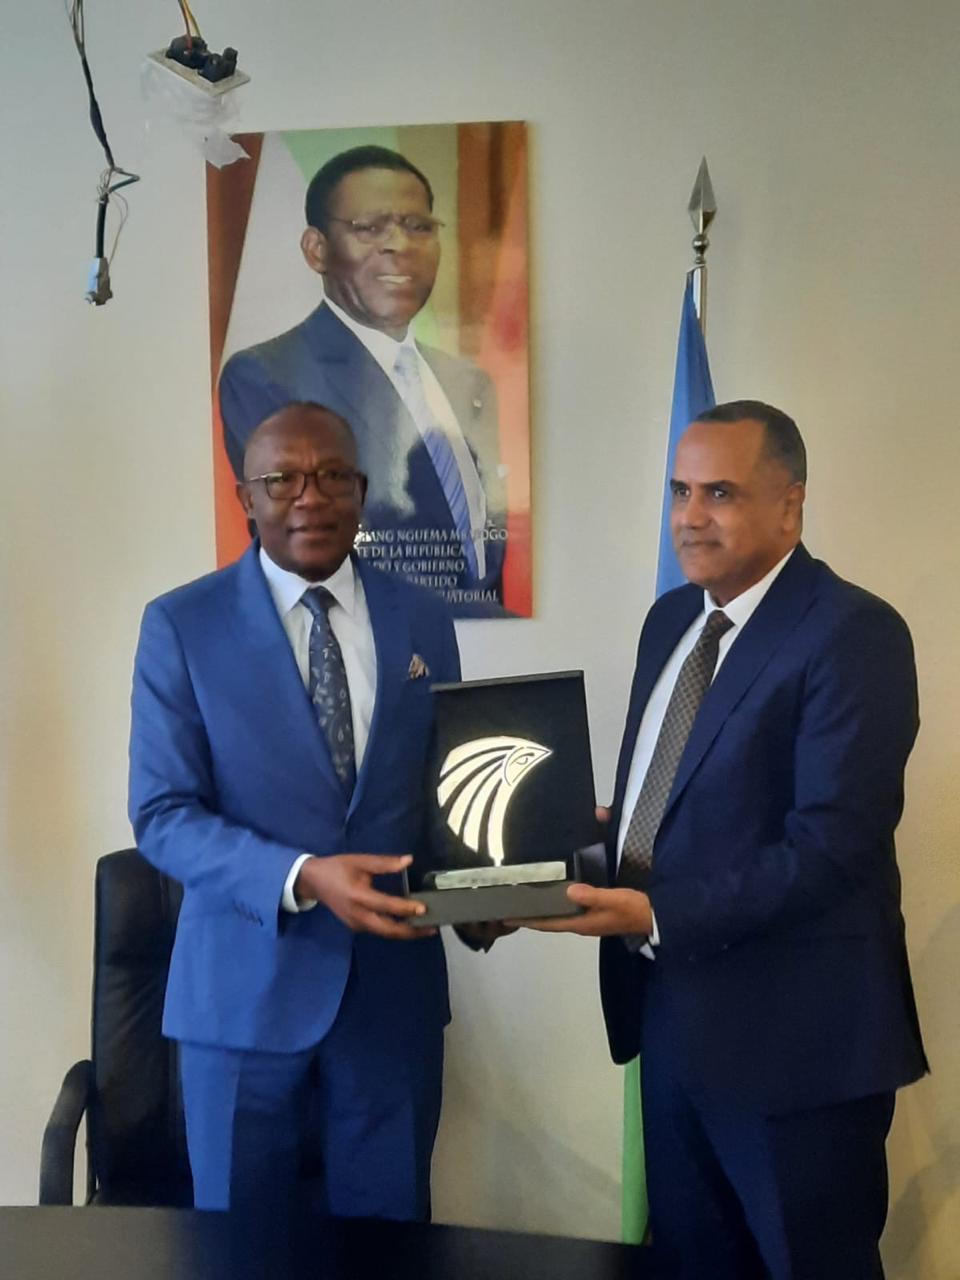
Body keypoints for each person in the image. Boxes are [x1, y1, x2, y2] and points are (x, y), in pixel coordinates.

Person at [521, 402, 927, 1278]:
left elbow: (830, 849)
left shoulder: (853, 633)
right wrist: (578, 840)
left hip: (799, 1052)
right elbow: (675, 801)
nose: (690, 516)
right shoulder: (671, 620)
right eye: (679, 491)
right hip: (672, 1025)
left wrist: (652, 911)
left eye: (720, 493)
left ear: (791, 506)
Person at [129, 401, 470, 1220]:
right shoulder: (182, 624)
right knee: (238, 1253)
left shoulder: (423, 618)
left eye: (332, 476)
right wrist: (303, 876)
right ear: (246, 497)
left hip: (391, 998)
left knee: (389, 1246)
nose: (309, 497)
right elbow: (162, 812)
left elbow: (441, 787)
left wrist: (495, 878)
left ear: (362, 491)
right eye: (282, 479)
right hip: (239, 998)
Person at [218, 145, 508, 615]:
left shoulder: (469, 382)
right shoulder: (268, 373)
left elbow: (487, 529)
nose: (399, 245)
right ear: (317, 250)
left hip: (472, 632)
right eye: (370, 227)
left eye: (418, 226)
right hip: (365, 634)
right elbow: (299, 535)